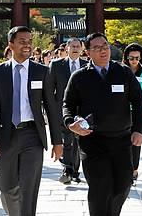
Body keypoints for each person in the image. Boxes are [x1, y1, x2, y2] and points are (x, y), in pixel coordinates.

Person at [63, 33, 142, 216]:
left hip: (121, 140)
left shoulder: (123, 72)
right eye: (97, 48)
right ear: (87, 52)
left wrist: (138, 130)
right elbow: (67, 105)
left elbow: (139, 102)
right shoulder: (79, 77)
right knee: (101, 186)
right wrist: (71, 123)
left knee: (123, 185)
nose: (103, 51)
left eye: (105, 46)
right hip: (92, 141)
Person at [0, 26, 63, 216]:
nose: (27, 45)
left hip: (32, 136)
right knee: (6, 187)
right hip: (6, 136)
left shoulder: (41, 71)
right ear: (11, 44)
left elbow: (52, 108)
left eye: (29, 41)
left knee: (28, 188)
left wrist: (57, 141)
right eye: (22, 41)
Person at [46, 37, 88, 185]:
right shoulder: (56, 65)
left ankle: (74, 171)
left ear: (82, 49)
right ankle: (67, 169)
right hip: (62, 109)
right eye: (73, 46)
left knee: (78, 141)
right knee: (67, 141)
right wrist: (51, 108)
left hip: (81, 110)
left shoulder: (87, 65)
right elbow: (49, 89)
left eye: (78, 46)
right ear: (67, 49)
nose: (75, 48)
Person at [122, 43, 142, 183]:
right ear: (126, 57)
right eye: (131, 58)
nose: (134, 61)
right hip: (122, 111)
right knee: (122, 141)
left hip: (139, 112)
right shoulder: (121, 70)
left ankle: (134, 169)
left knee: (136, 142)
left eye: (137, 58)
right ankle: (123, 169)